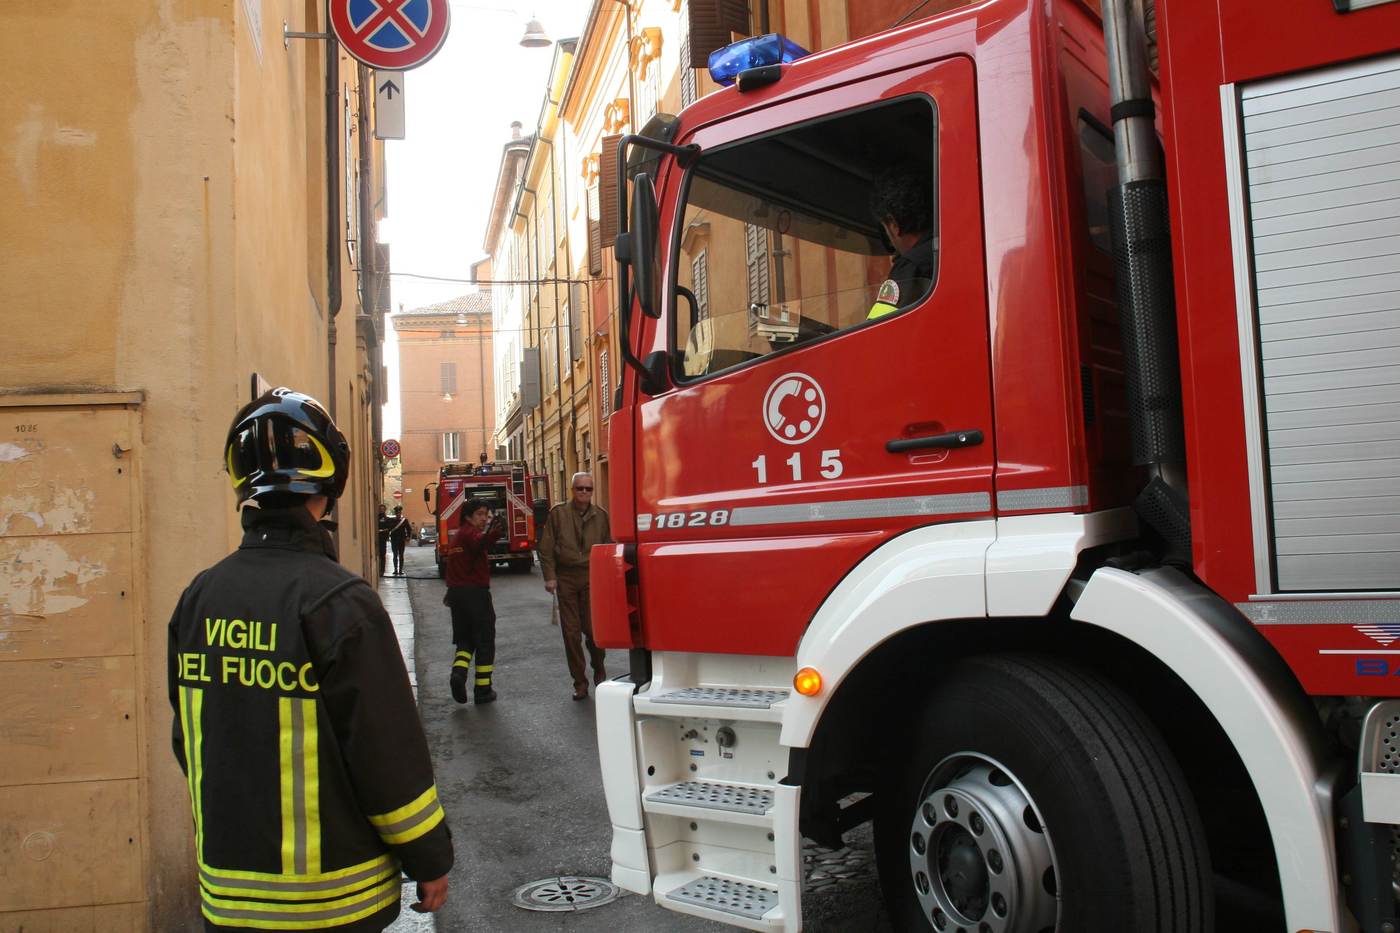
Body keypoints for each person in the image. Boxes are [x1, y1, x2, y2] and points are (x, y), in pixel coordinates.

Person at [168, 387, 452, 932]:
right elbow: (386, 753)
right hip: (334, 899)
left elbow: (189, 739)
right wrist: (429, 858)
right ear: (330, 482)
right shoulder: (341, 603)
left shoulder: (199, 597)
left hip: (227, 895)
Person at [538, 472, 610, 701]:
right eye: (580, 488)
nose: (584, 493)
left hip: (592, 577)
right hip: (566, 578)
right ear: (572, 490)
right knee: (571, 634)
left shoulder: (601, 516)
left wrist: (609, 578)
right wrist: (550, 576)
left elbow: (609, 547)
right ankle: (580, 682)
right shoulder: (558, 514)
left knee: (593, 631)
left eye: (588, 489)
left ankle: (599, 668)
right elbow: (546, 548)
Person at [444, 498, 504, 705]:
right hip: (475, 595)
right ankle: (483, 689)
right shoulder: (470, 534)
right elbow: (481, 543)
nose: (484, 518)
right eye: (479, 514)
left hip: (456, 595)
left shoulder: (458, 537)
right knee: (485, 640)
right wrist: (494, 533)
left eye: (486, 515)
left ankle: (458, 673)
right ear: (468, 517)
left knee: (465, 639)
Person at [866, 167, 938, 320]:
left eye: (885, 229)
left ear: (893, 224)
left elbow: (877, 335)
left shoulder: (912, 266)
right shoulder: (951, 250)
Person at [388, 505, 413, 575]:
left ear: (401, 513)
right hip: (394, 540)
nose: (398, 514)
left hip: (402, 540)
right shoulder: (391, 520)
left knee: (401, 555)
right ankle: (395, 570)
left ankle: (400, 570)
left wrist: (408, 536)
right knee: (395, 555)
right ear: (395, 513)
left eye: (399, 512)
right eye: (397, 513)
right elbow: (389, 529)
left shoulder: (404, 520)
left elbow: (409, 529)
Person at [376, 504, 393, 577]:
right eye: (380, 509)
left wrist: (384, 530)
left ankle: (382, 571)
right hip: (377, 538)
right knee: (378, 555)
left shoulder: (387, 519)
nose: (381, 510)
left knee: (382, 554)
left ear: (385, 510)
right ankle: (379, 569)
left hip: (383, 538)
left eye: (383, 509)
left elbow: (389, 528)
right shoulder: (376, 517)